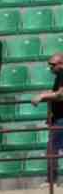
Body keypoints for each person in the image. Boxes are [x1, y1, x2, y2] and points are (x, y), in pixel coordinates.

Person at [33, 53, 63, 181]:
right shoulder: (58, 76)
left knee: (52, 149)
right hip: (58, 118)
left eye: (52, 65)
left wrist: (42, 96)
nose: (50, 68)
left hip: (61, 119)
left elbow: (61, 95)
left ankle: (52, 180)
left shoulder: (62, 73)